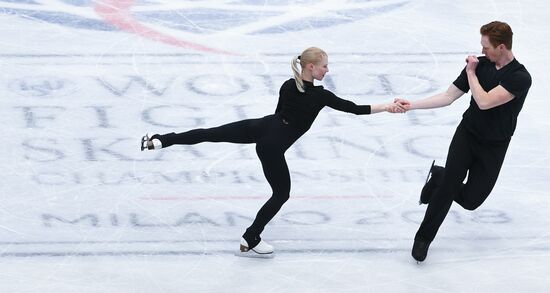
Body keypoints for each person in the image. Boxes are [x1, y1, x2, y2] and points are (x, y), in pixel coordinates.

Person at [141, 47, 406, 257]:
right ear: (311, 67)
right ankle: (251, 238)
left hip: (261, 126)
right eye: (325, 65)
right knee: (282, 193)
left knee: (211, 133)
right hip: (270, 145)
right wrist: (388, 106)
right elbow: (355, 109)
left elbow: (282, 114)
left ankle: (160, 140)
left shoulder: (288, 85)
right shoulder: (321, 96)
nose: (327, 70)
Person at [395, 21, 532, 262]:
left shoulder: (520, 77)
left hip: (495, 146)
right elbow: (448, 96)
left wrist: (471, 73)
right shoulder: (481, 64)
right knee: (448, 190)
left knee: (471, 200)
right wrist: (412, 105)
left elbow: (485, 101)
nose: (483, 51)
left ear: (501, 47)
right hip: (467, 135)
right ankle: (423, 237)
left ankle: (438, 176)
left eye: (486, 47)